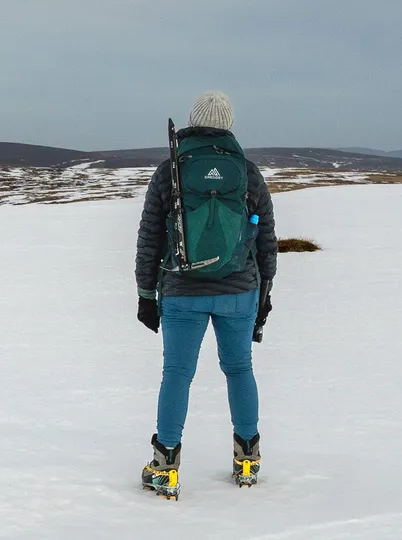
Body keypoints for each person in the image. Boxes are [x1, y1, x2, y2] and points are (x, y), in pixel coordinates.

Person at [134, 91, 277, 498]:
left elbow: (150, 237)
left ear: (193, 122)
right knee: (239, 369)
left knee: (177, 375)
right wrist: (264, 294)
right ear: (229, 125)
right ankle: (247, 460)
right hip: (239, 290)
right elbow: (266, 239)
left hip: (182, 291)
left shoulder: (171, 171)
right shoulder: (247, 173)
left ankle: (164, 467)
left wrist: (147, 293)